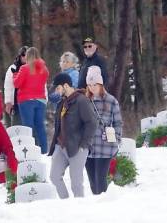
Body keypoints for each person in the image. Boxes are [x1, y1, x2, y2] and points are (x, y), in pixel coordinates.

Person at [49, 72, 98, 198]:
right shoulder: (62, 102)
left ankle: (79, 210)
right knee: (54, 177)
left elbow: (92, 123)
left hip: (78, 147)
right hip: (61, 146)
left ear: (66, 85)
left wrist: (84, 144)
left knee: (76, 183)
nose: (57, 91)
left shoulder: (82, 100)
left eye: (58, 88)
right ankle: (66, 204)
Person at [85, 66, 123, 194]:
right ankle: (97, 209)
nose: (92, 87)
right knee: (92, 183)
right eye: (89, 85)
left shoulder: (111, 101)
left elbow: (118, 122)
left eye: (94, 84)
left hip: (105, 146)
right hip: (88, 147)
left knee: (100, 181)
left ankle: (104, 208)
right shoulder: (84, 101)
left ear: (100, 83)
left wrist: (116, 138)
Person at [13, 47, 49, 153]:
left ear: (28, 56)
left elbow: (17, 84)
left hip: (26, 100)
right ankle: (44, 150)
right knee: (40, 126)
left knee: (28, 126)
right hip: (41, 100)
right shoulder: (44, 69)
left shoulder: (24, 68)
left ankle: (29, 150)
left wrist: (15, 75)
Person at [3, 46, 28, 126]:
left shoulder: (34, 68)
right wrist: (8, 102)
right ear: (20, 56)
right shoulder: (13, 68)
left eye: (28, 55)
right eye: (23, 55)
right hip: (17, 101)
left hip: (30, 100)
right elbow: (8, 86)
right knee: (17, 123)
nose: (25, 57)